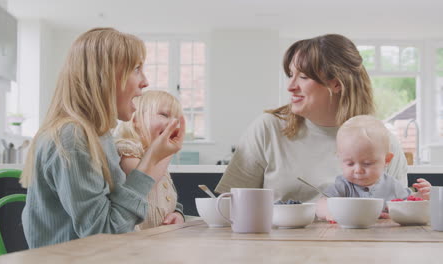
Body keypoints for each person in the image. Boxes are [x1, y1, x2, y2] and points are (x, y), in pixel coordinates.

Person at [20, 28, 185, 249]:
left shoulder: (100, 136)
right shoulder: (73, 137)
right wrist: (151, 159)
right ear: (104, 77)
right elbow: (104, 235)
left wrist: (157, 156)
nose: (145, 82)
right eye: (136, 69)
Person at [215, 34, 408, 204]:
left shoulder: (383, 142)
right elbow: (228, 204)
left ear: (336, 84)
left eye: (304, 77)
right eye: (290, 75)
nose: (290, 86)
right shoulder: (268, 128)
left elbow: (399, 212)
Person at [315, 115, 431, 220]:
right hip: (350, 237)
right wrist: (329, 213)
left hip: (385, 238)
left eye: (367, 163)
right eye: (350, 164)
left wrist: (421, 196)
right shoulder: (343, 185)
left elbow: (409, 204)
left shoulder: (393, 185)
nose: (358, 170)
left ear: (386, 160)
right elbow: (321, 204)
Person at [114, 90, 184, 229]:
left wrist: (177, 214)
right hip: (137, 242)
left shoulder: (158, 158)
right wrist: (167, 153)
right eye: (164, 114)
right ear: (136, 120)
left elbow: (169, 199)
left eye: (177, 119)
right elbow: (144, 182)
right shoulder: (127, 148)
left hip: (159, 239)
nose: (173, 123)